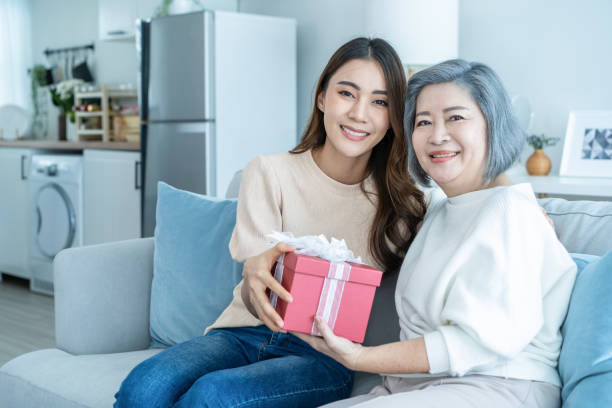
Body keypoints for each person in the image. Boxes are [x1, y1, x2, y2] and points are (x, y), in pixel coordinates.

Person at [113, 37, 427, 408]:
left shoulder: (402, 204)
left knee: (211, 396)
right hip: (242, 333)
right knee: (144, 386)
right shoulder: (269, 172)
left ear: (393, 118)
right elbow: (254, 285)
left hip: (323, 356)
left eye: (380, 101)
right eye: (347, 93)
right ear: (322, 98)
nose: (360, 113)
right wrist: (255, 277)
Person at [299, 59, 577, 408]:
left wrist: (358, 358)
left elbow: (473, 344)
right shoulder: (442, 208)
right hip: (423, 388)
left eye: (456, 117)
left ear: (493, 125)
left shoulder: (510, 212)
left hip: (497, 386)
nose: (437, 135)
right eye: (423, 121)